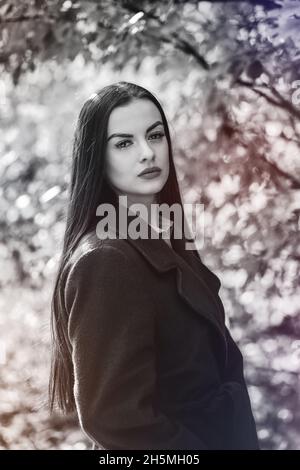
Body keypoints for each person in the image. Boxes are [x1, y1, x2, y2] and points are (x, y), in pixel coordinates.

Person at [49, 81, 259, 450]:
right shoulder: (105, 260)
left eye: (155, 135)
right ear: (98, 157)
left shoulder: (167, 234)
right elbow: (114, 418)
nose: (147, 153)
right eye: (124, 143)